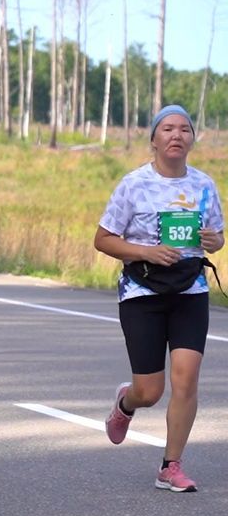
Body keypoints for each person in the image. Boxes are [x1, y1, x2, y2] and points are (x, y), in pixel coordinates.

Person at [97, 105, 224, 493]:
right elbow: (103, 239)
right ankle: (126, 403)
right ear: (153, 140)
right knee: (150, 391)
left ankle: (171, 466)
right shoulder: (133, 184)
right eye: (167, 128)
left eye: (184, 129)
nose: (176, 135)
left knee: (186, 380)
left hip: (190, 291)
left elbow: (217, 238)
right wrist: (146, 252)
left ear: (191, 140)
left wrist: (212, 241)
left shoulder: (204, 185)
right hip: (143, 293)